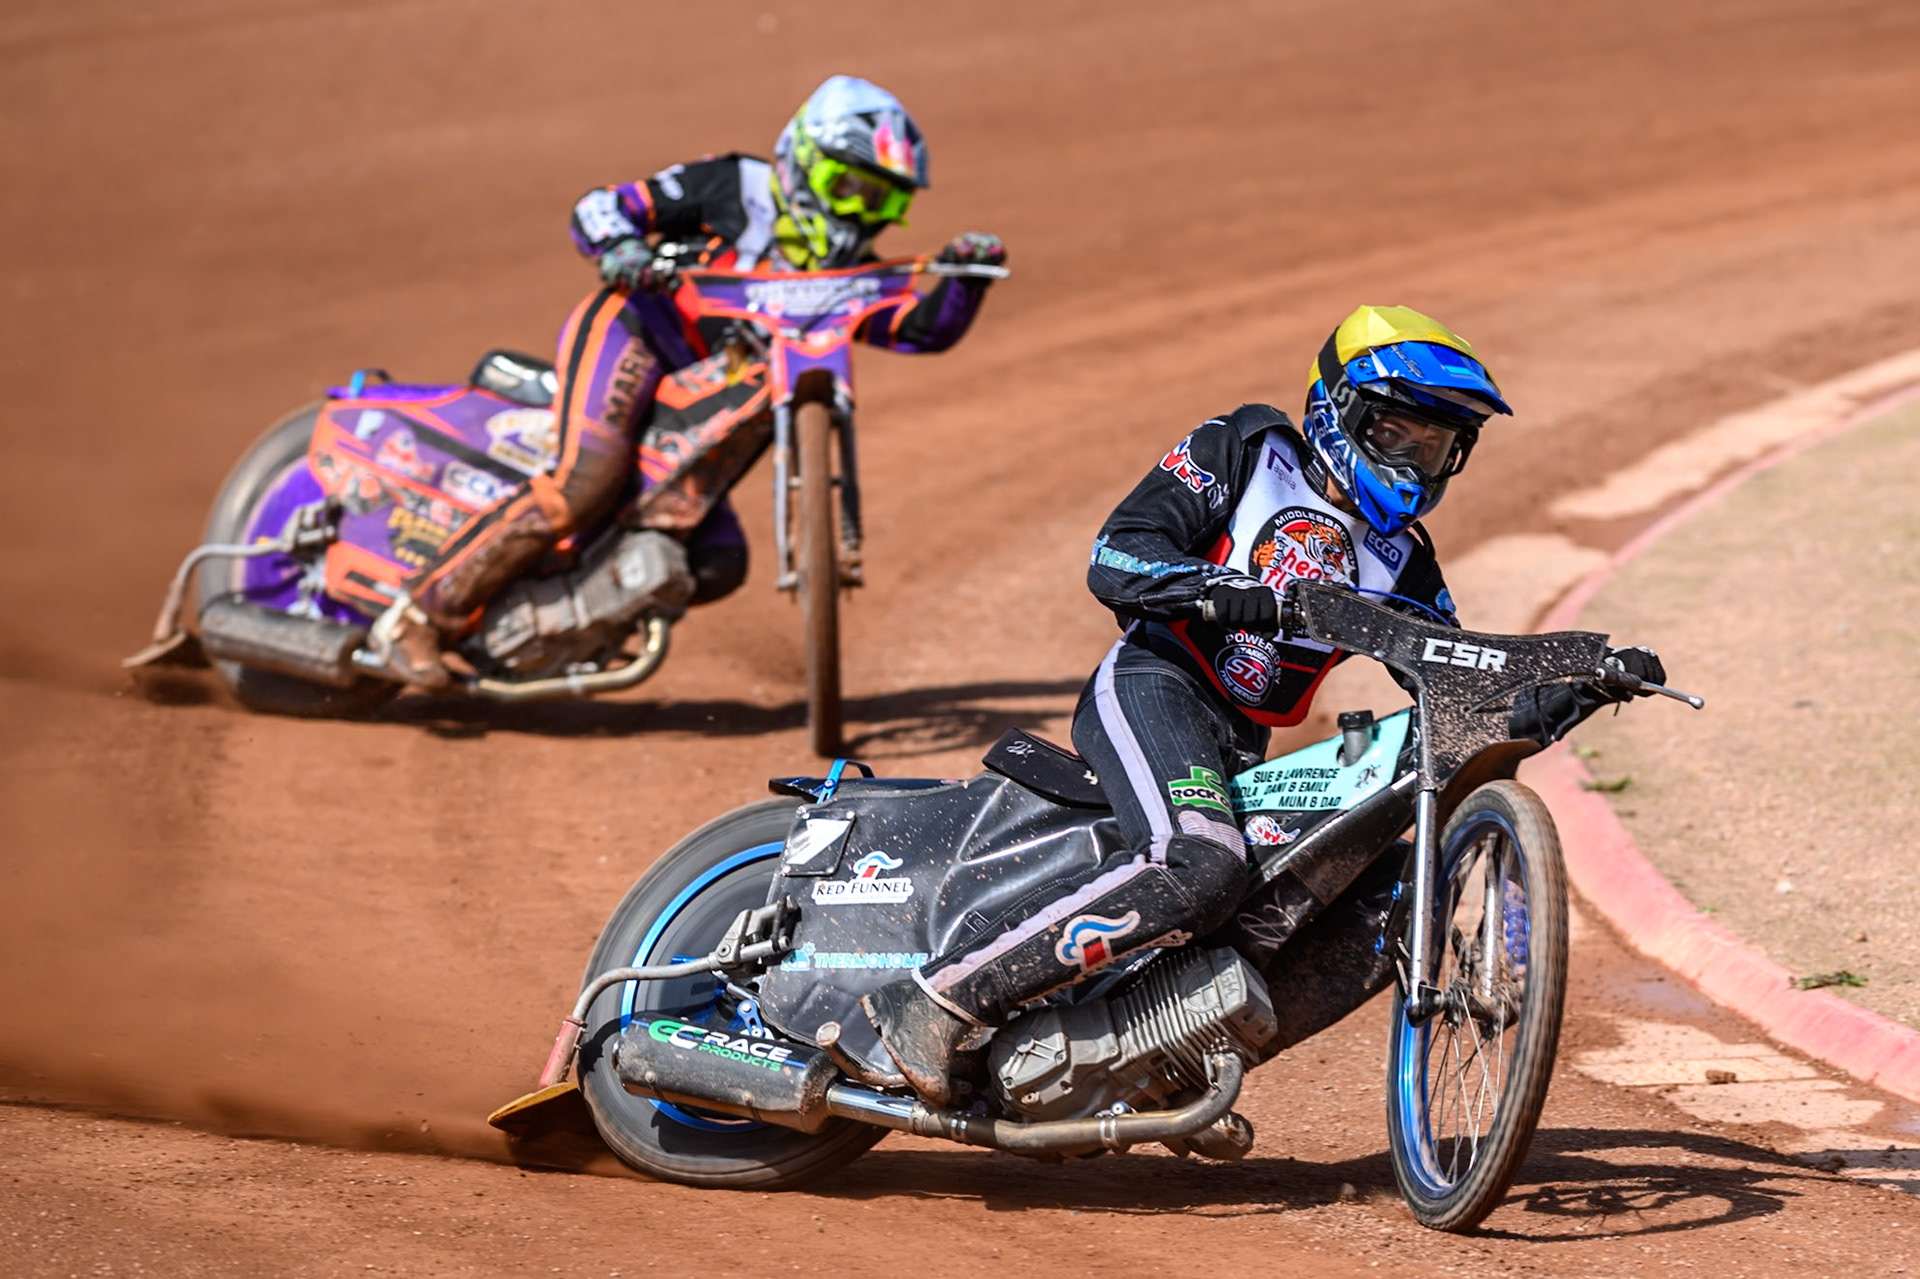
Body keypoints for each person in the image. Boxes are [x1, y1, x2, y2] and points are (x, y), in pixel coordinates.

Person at [862, 304, 1662, 1105]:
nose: (1414, 460)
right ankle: (934, 999)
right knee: (1202, 863)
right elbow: (1117, 552)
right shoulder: (1246, 450)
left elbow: (1454, 686)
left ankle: (1170, 1061)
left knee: (1399, 889)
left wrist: (1574, 689)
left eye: (1435, 445)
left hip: (1243, 740)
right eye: (1396, 433)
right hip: (1154, 683)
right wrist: (1217, 587)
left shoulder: (1404, 562)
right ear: (1339, 408)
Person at [370, 74, 1006, 688]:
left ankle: (548, 626)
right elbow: (601, 207)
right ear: (803, 161)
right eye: (849, 188)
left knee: (718, 561)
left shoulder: (842, 277)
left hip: (700, 404)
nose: (862, 215)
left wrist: (966, 281)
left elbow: (917, 329)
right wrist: (621, 248)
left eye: (884, 202)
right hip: (639, 332)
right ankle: (418, 617)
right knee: (582, 480)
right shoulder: (734, 184)